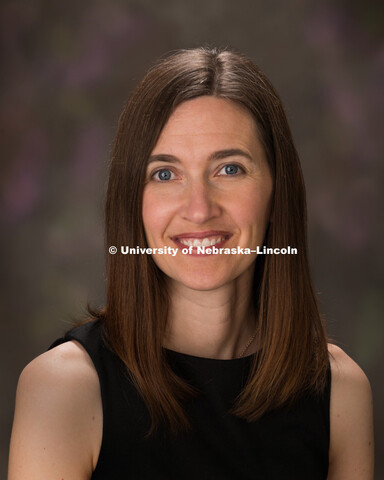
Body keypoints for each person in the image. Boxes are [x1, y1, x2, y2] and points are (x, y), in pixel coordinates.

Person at [8, 47, 374, 480]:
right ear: (133, 203)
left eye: (230, 169)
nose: (199, 210)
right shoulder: (63, 391)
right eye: (165, 174)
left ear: (278, 193)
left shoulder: (340, 393)